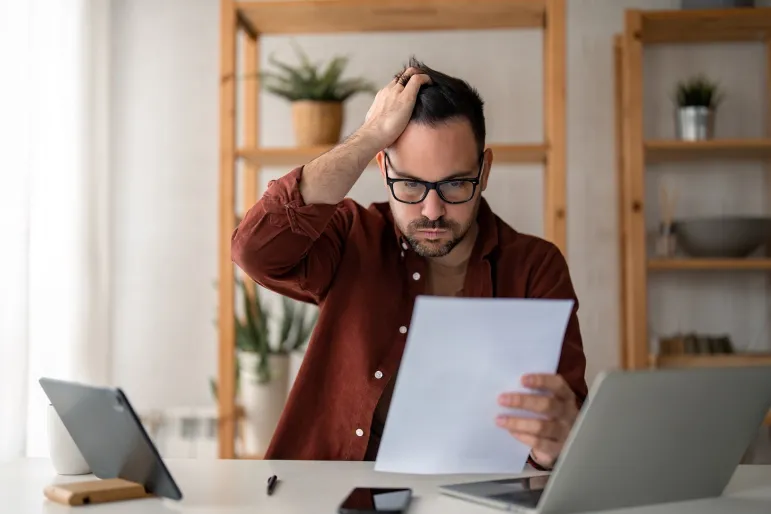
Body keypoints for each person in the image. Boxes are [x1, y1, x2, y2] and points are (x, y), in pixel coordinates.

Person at [231, 57, 588, 470]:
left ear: (484, 171)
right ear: (383, 168)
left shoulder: (535, 267)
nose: (432, 211)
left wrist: (554, 445)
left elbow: (564, 436)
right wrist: (370, 135)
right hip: (331, 494)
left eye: (456, 183)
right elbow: (254, 249)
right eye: (411, 185)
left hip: (466, 500)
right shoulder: (352, 237)